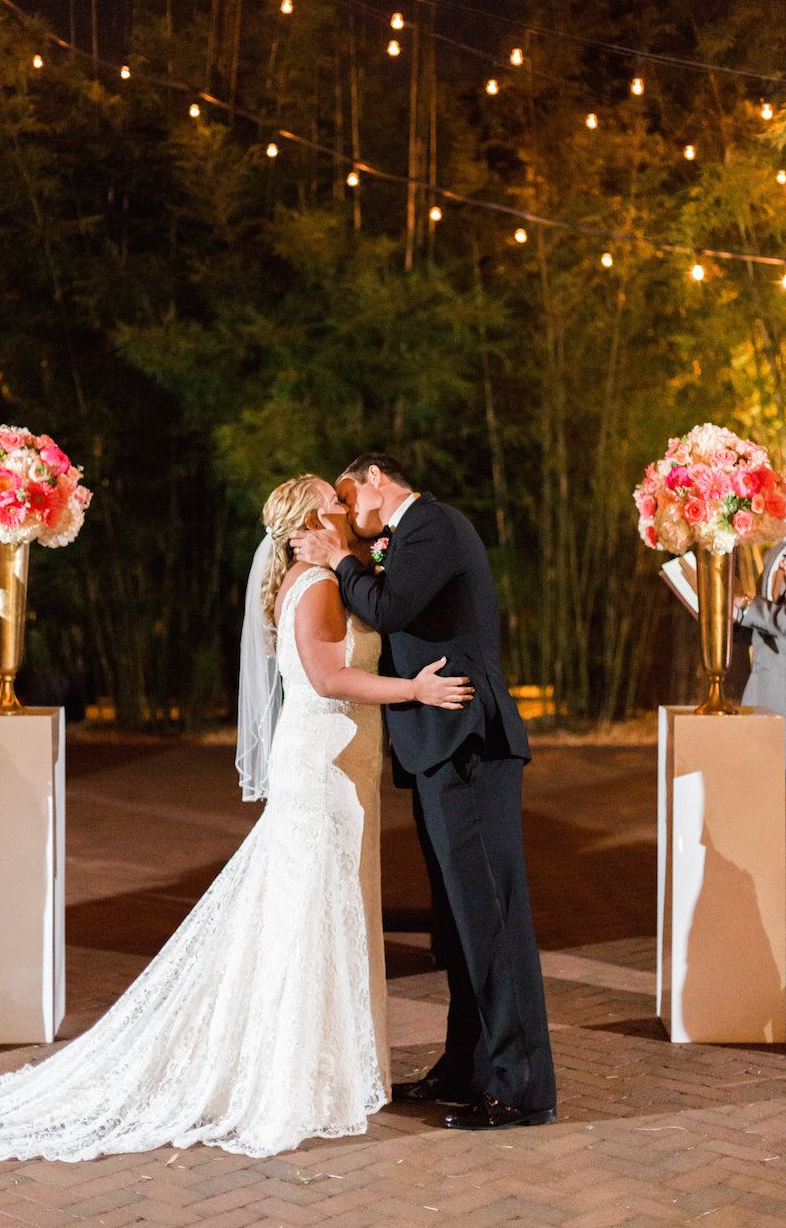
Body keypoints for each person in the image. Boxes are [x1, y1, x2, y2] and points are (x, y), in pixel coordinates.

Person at [0, 474, 472, 1162]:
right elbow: (328, 676)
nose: (346, 500)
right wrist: (413, 688)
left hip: (336, 757)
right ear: (307, 519)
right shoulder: (319, 583)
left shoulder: (321, 575)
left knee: (323, 908)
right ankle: (304, 1074)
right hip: (325, 761)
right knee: (313, 910)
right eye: (333, 496)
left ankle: (324, 1064)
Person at [292, 453, 556, 1131]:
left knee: (491, 920)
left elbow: (391, 604)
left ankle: (521, 1087)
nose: (349, 515)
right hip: (440, 750)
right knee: (459, 922)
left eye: (351, 498)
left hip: (468, 742)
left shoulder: (430, 524)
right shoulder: (406, 540)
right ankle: (466, 1066)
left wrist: (342, 558)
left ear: (377, 476)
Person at [735, 452, 786, 988]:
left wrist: (748, 608)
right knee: (757, 834)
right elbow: (766, 629)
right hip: (761, 701)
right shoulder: (777, 548)